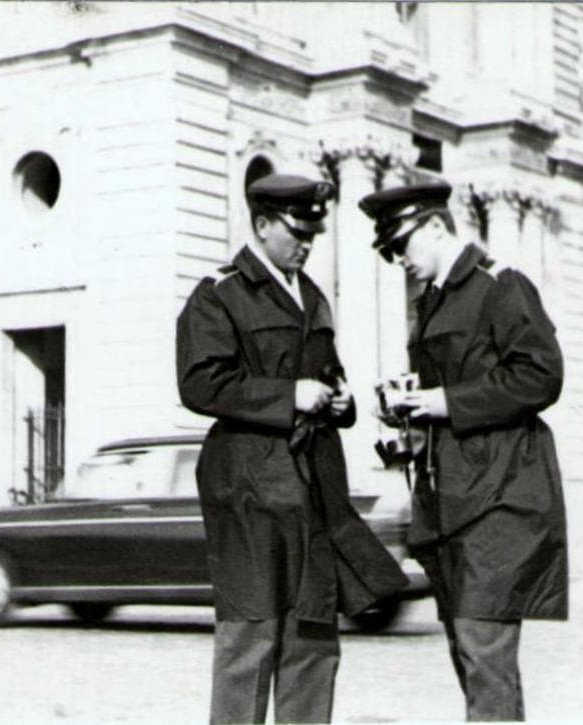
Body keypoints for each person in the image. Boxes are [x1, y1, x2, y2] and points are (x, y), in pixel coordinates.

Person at [176, 173, 407, 724]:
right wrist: (289, 396)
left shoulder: (313, 295)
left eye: (313, 233)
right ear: (261, 225)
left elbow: (327, 374)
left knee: (313, 639)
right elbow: (200, 384)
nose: (307, 243)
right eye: (296, 231)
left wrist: (340, 398)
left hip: (316, 489)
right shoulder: (220, 294)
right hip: (250, 489)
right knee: (250, 640)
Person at [358, 180, 568, 722]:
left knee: (483, 652)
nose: (399, 259)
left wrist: (442, 402)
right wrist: (408, 421)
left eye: (402, 244)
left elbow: (540, 376)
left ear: (434, 226)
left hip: (499, 501)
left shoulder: (500, 285)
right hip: (450, 502)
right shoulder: (433, 299)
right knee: (473, 659)